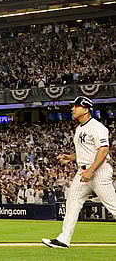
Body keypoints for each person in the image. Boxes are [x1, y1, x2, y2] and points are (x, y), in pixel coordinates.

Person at [43, 96, 116, 249]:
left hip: (98, 171)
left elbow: (103, 150)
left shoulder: (97, 127)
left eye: (75, 106)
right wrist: (70, 158)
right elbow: (86, 152)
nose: (72, 109)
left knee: (113, 206)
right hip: (83, 172)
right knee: (72, 203)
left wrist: (91, 170)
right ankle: (63, 239)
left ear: (85, 109)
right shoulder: (79, 128)